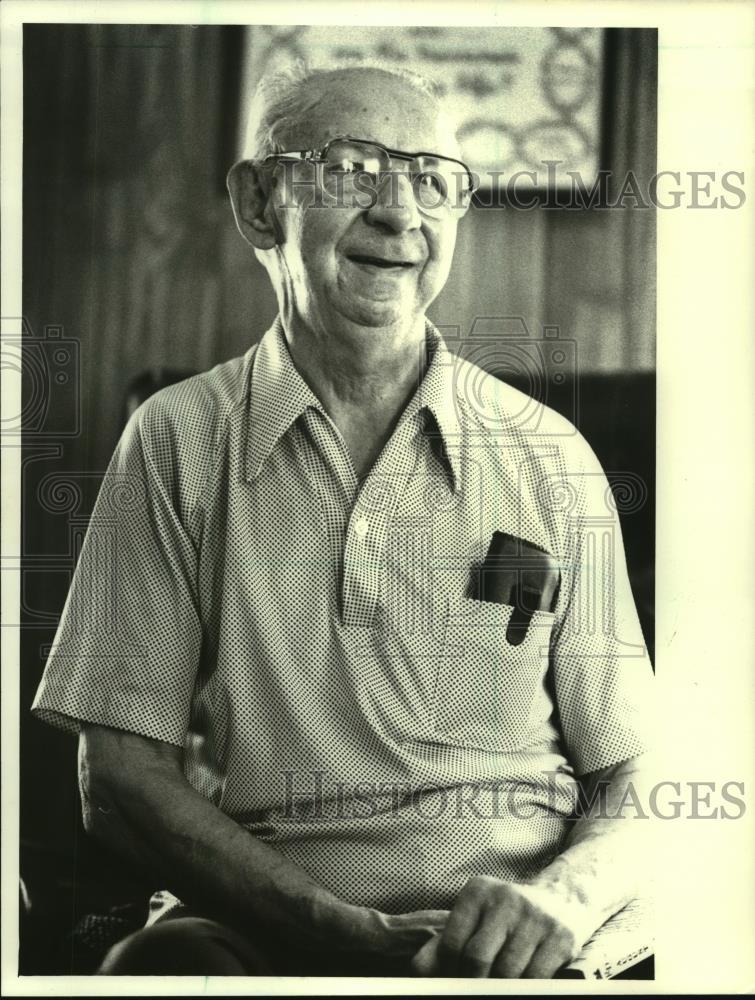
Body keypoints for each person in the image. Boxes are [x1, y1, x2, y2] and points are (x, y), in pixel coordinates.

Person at [32, 62, 654, 978]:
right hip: (260, 920)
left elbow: (638, 777)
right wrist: (327, 928)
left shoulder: (547, 454)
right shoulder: (176, 440)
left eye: (432, 181)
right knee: (155, 970)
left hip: (517, 934)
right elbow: (120, 779)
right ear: (258, 204)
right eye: (353, 169)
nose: (400, 213)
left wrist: (560, 899)